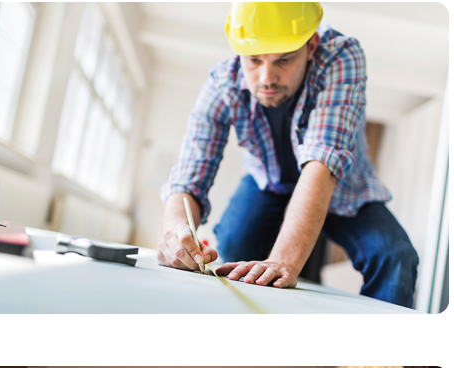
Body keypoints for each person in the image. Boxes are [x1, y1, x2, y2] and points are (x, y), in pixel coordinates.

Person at [157, 0, 418, 307]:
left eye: (283, 60)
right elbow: (188, 178)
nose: (267, 77)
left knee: (395, 256)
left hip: (343, 189)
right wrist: (176, 236)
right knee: (234, 245)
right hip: (267, 183)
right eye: (254, 60)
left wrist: (284, 262)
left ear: (311, 46)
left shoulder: (340, 56)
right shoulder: (221, 83)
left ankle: (374, 354)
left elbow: (322, 162)